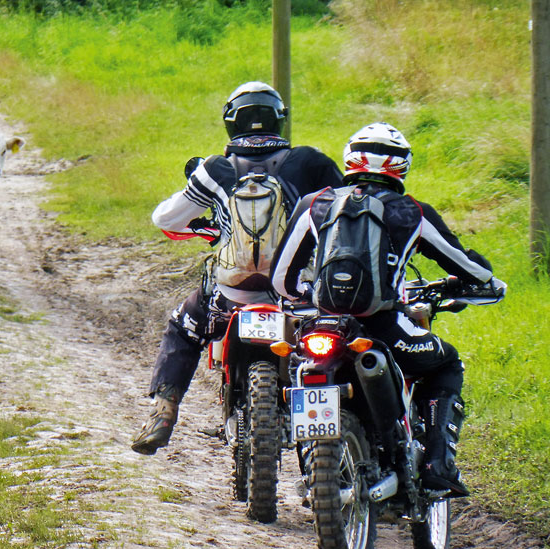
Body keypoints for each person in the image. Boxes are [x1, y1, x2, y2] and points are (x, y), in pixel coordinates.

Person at [270, 122, 495, 497]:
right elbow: (471, 270)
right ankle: (438, 464)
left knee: (299, 372)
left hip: (323, 326)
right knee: (446, 363)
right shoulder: (412, 213)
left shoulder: (315, 203)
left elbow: (281, 280)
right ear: (401, 165)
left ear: (350, 159)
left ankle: (312, 465)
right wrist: (480, 274)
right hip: (384, 326)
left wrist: (308, 296)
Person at [131, 81, 342, 455]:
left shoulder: (216, 169)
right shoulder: (311, 163)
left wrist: (215, 230)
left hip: (232, 294)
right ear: (280, 120)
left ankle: (163, 412)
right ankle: (330, 455)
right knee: (326, 350)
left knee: (183, 327)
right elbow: (342, 220)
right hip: (296, 295)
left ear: (231, 122)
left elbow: (165, 218)